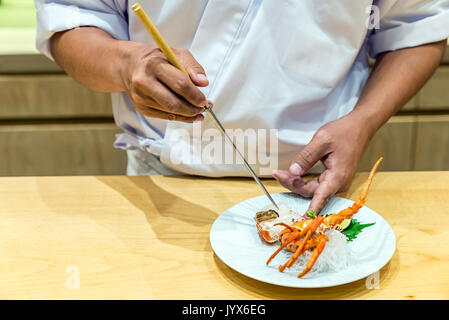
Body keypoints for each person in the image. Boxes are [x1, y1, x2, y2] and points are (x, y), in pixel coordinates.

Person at [35, 0, 449, 213]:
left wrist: (362, 122)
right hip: (164, 183)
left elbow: (416, 25)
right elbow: (72, 16)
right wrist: (126, 65)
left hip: (326, 177)